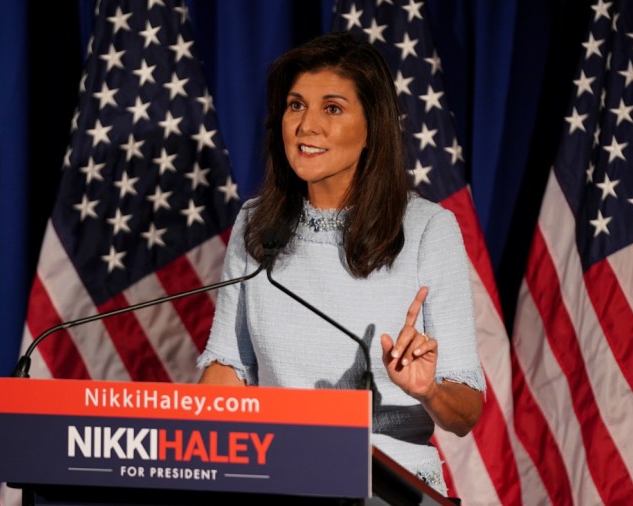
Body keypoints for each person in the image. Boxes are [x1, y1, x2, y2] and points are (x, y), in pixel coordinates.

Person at [198, 31, 484, 495]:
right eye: (296, 106)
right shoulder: (257, 225)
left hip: (389, 486)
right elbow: (229, 369)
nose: (306, 126)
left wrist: (427, 389)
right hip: (276, 479)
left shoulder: (429, 229)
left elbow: (465, 412)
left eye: (332, 108)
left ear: (372, 127)